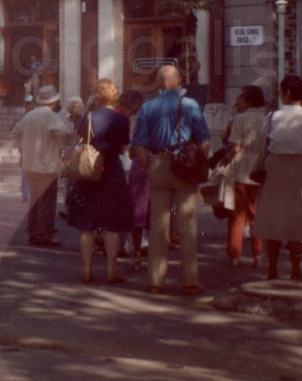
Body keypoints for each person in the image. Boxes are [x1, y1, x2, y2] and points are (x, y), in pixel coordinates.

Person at [132, 64, 210, 295]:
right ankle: (190, 281)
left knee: (158, 226)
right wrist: (197, 163)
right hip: (185, 165)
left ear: (159, 83)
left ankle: (155, 281)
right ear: (178, 81)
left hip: (158, 163)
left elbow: (139, 145)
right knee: (187, 225)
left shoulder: (147, 107)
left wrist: (149, 166)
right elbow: (204, 141)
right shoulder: (191, 105)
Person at [251, 74, 302, 281]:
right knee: (298, 220)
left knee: (274, 218)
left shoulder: (272, 118)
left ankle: (272, 269)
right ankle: (296, 270)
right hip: (301, 167)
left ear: (287, 93)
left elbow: (262, 141)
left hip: (276, 167)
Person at [67, 79, 131, 285]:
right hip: (111, 171)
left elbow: (79, 138)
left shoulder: (87, 117)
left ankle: (86, 270)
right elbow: (123, 147)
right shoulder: (121, 119)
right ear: (115, 95)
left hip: (89, 171)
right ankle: (111, 271)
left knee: (86, 224)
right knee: (112, 225)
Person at [12, 85, 70, 247]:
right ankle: (43, 235)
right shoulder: (52, 117)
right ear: (54, 101)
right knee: (46, 202)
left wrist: (23, 149)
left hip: (30, 163)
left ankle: (33, 231)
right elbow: (62, 134)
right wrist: (59, 151)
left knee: (35, 199)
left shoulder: (29, 115)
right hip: (47, 164)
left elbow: (16, 133)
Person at [223, 85, 268, 270]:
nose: (239, 100)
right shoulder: (266, 119)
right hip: (259, 169)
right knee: (255, 214)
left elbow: (235, 146)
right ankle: (258, 254)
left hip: (241, 168)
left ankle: (235, 254)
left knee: (237, 216)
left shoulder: (240, 119)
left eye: (242, 97)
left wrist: (227, 162)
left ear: (248, 99)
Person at [117, 89, 149, 271]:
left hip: (137, 167)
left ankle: (135, 252)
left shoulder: (133, 120)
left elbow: (132, 150)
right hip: (154, 165)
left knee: (136, 210)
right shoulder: (126, 119)